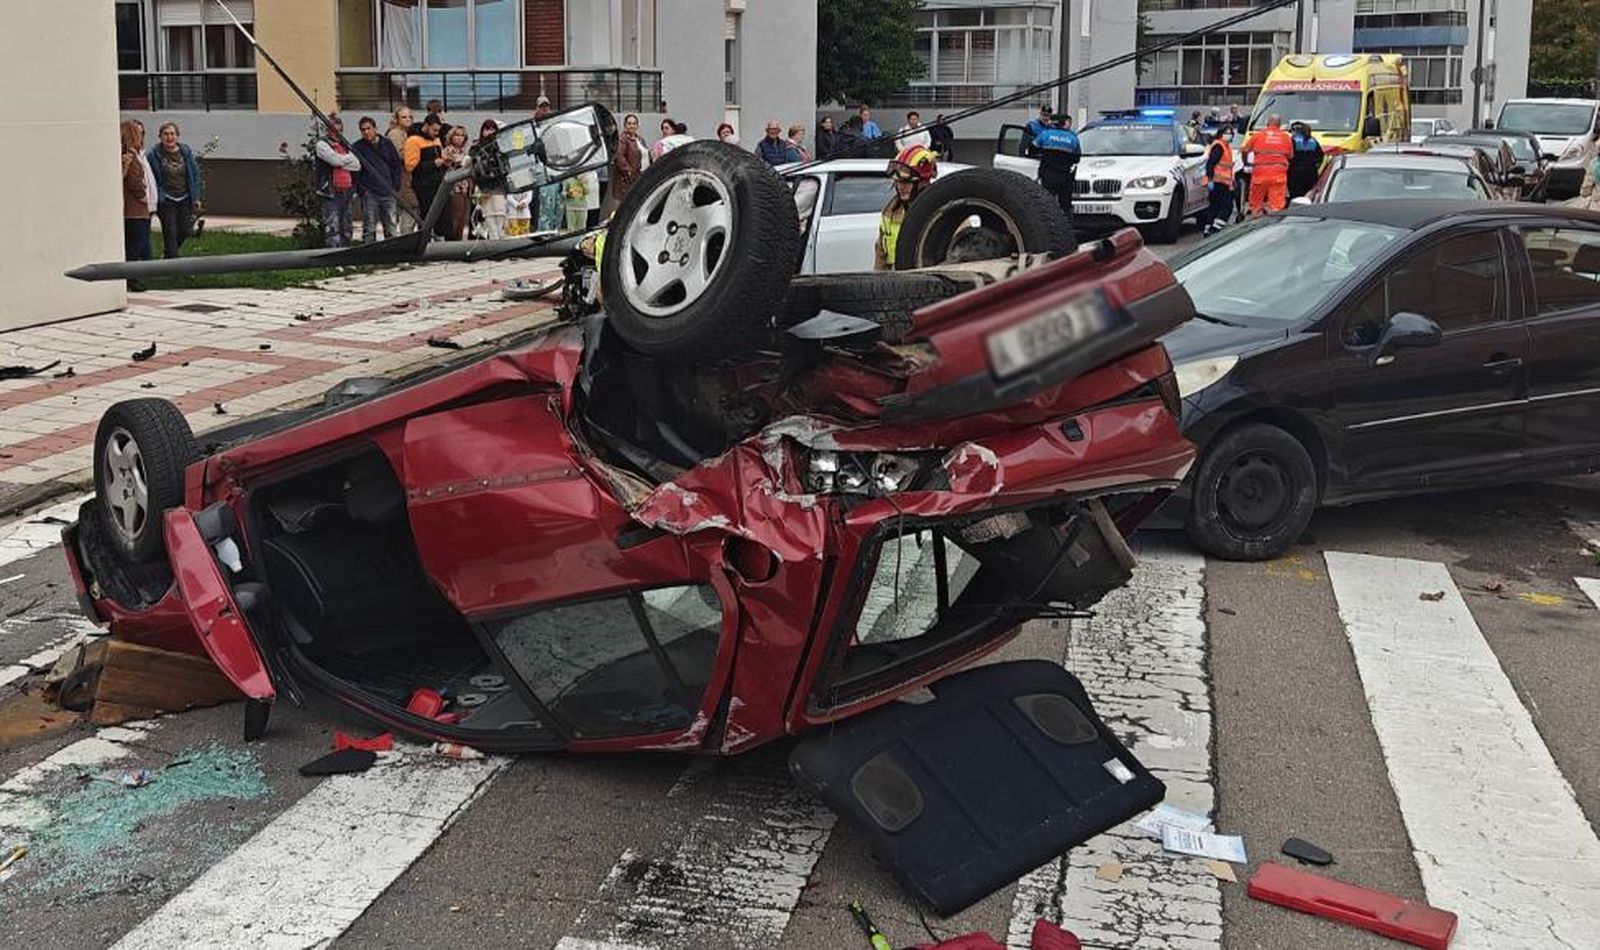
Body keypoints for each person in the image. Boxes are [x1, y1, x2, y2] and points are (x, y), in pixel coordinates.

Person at [875, 144, 937, 271]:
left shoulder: (943, 212)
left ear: (923, 182)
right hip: (899, 284)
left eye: (907, 182)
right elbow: (881, 258)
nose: (900, 187)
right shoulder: (889, 213)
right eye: (897, 182)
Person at [147, 121, 201, 259]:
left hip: (185, 197)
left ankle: (169, 254)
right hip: (166, 199)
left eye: (172, 134)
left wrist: (196, 197)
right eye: (165, 134)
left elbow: (194, 175)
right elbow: (150, 177)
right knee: (170, 231)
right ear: (160, 136)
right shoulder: (154, 155)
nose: (169, 137)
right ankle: (172, 263)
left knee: (185, 230)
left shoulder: (185, 152)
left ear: (177, 136)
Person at [351, 115, 402, 243]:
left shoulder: (386, 143)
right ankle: (369, 256)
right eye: (363, 130)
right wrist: (362, 190)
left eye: (368, 128)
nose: (366, 132)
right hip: (370, 193)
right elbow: (355, 171)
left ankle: (392, 252)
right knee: (369, 227)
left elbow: (396, 164)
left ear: (375, 128)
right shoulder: (358, 147)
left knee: (391, 226)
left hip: (388, 191)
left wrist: (395, 186)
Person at [315, 114, 361, 248]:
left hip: (347, 190)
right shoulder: (322, 144)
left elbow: (357, 165)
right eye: (334, 130)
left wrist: (340, 160)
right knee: (332, 227)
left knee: (346, 227)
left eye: (340, 131)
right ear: (327, 130)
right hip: (331, 191)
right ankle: (334, 258)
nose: (337, 134)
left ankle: (345, 256)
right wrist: (345, 159)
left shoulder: (345, 145)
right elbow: (334, 161)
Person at [404, 113, 450, 238]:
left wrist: (445, 161)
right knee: (427, 216)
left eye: (438, 131)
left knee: (443, 217)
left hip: (439, 183)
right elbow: (411, 166)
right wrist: (434, 163)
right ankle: (425, 240)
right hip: (424, 186)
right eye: (434, 130)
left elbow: (440, 160)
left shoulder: (436, 139)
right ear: (426, 126)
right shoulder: (413, 141)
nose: (436, 133)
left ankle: (441, 240)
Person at [120, 120, 154, 288]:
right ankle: (131, 279)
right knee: (134, 246)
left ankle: (135, 276)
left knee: (135, 244)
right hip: (135, 210)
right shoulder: (131, 157)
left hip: (131, 210)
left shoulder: (129, 155)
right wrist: (143, 197)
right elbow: (135, 181)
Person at [1034, 113, 1082, 224]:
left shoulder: (1045, 135)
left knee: (1047, 203)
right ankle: (1067, 228)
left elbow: (1032, 150)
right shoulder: (1072, 138)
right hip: (1065, 176)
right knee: (1065, 204)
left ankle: (1048, 225)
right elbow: (1076, 158)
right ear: (1063, 123)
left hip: (1048, 175)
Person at [1241, 114, 1293, 216]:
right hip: (1278, 174)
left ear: (1267, 123)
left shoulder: (1258, 135)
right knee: (1277, 205)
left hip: (1260, 173)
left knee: (1256, 203)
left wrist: (1246, 162)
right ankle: (1274, 224)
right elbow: (1290, 156)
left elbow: (1245, 150)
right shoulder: (1286, 137)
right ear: (1279, 124)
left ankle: (1255, 222)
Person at [474, 120, 508, 239]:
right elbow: (471, 166)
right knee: (489, 217)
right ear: (482, 131)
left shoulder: (501, 147)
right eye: (487, 129)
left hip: (498, 186)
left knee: (500, 215)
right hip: (484, 187)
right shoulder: (476, 147)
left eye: (493, 129)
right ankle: (493, 242)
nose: (490, 132)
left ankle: (498, 244)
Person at [386, 107, 418, 233]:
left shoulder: (408, 132)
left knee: (411, 209)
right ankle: (406, 238)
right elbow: (400, 155)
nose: (408, 119)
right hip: (401, 176)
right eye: (404, 117)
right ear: (397, 119)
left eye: (410, 116)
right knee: (410, 207)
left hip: (407, 175)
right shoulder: (395, 133)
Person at [533, 97, 563, 231]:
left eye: (546, 107)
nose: (544, 110)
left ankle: (553, 234)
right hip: (540, 173)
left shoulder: (555, 127)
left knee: (557, 207)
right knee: (544, 208)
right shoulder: (532, 128)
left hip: (556, 171)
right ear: (537, 108)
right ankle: (542, 234)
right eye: (541, 107)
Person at [1201, 125, 1236, 236]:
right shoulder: (1219, 146)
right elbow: (1210, 164)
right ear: (1221, 134)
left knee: (1215, 206)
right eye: (1226, 132)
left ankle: (1208, 228)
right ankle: (1215, 229)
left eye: (1230, 133)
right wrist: (1210, 179)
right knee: (1227, 207)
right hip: (1218, 181)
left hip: (1221, 181)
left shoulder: (1225, 146)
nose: (1229, 135)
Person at [611, 113, 649, 207]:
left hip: (640, 177)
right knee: (627, 206)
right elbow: (619, 156)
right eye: (629, 123)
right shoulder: (622, 139)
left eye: (634, 123)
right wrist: (629, 172)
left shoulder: (640, 139)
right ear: (625, 125)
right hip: (627, 180)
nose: (632, 126)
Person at [442, 125, 472, 239]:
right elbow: (458, 163)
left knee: (463, 217)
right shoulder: (448, 150)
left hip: (465, 186)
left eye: (462, 136)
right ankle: (452, 239)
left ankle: (458, 238)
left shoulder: (464, 151)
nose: (459, 138)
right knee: (456, 215)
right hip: (454, 187)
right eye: (457, 135)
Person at [1288, 121, 1324, 200]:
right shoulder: (1313, 141)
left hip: (1295, 173)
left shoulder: (1293, 141)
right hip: (1311, 172)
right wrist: (1315, 166)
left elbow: (1288, 156)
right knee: (1309, 195)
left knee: (1295, 196)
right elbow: (1320, 155)